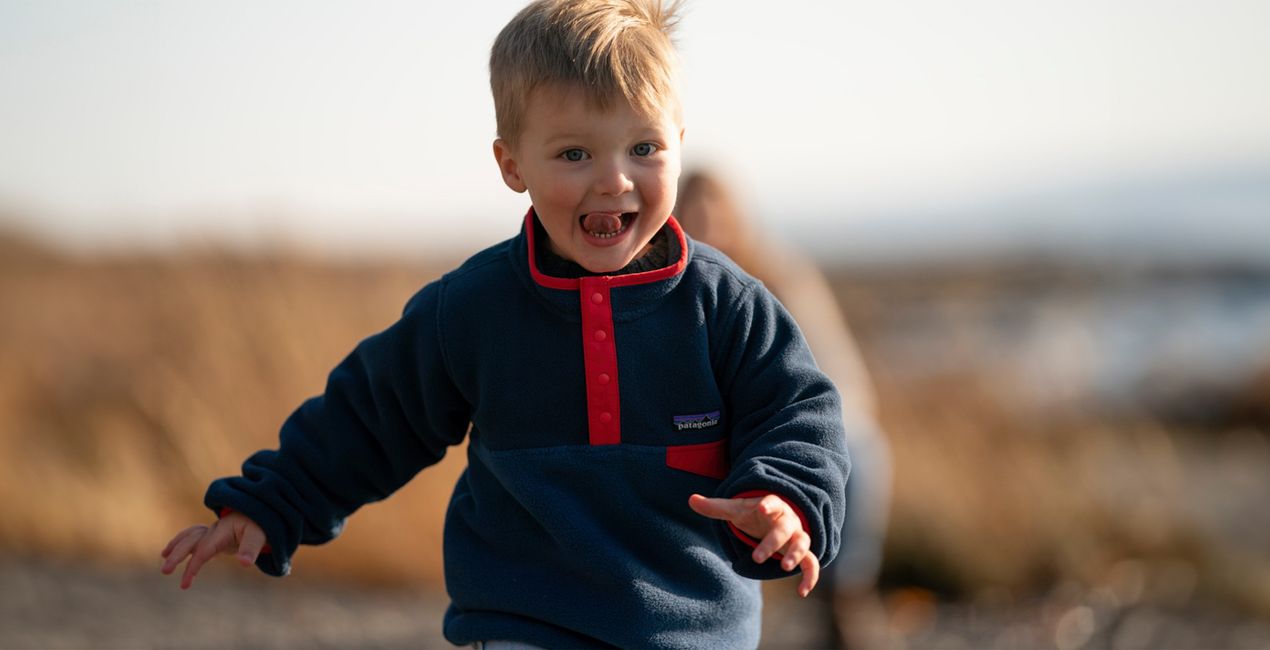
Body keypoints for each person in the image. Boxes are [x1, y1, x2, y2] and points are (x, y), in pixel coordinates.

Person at [158, 1, 850, 648]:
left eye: (644, 148)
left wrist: (782, 496)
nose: (614, 179)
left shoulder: (728, 305)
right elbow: (371, 416)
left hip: (689, 633)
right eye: (575, 154)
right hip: (523, 624)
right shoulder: (474, 307)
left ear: (679, 141)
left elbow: (799, 412)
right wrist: (271, 503)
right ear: (511, 163)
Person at [675, 171, 893, 649]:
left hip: (787, 427)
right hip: (710, 433)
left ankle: (845, 597)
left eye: (716, 209)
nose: (706, 222)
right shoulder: (667, 287)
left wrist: (817, 435)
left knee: (863, 451)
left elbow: (833, 372)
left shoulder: (777, 277)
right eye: (693, 210)